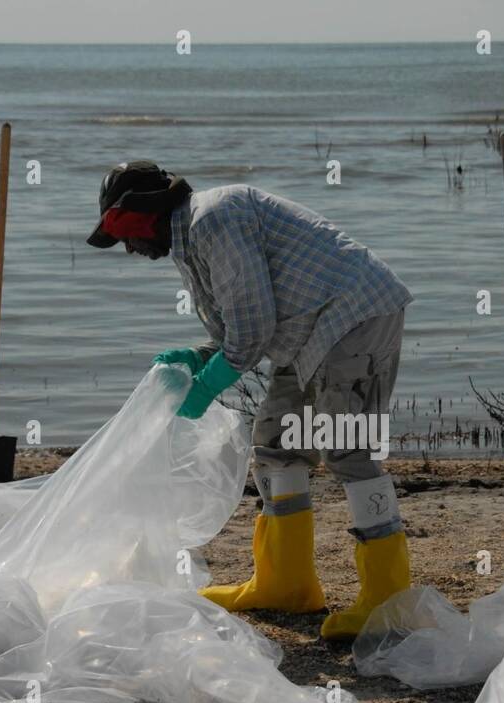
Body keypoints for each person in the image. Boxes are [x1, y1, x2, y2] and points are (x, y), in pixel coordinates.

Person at [86, 159, 413, 639]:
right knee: (276, 445)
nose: (129, 249)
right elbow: (232, 331)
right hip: (307, 334)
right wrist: (198, 359)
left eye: (125, 235)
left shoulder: (214, 219)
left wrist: (207, 387)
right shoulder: (189, 242)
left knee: (347, 448)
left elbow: (252, 330)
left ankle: (388, 600)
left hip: (354, 316)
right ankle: (287, 582)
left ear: (144, 213)